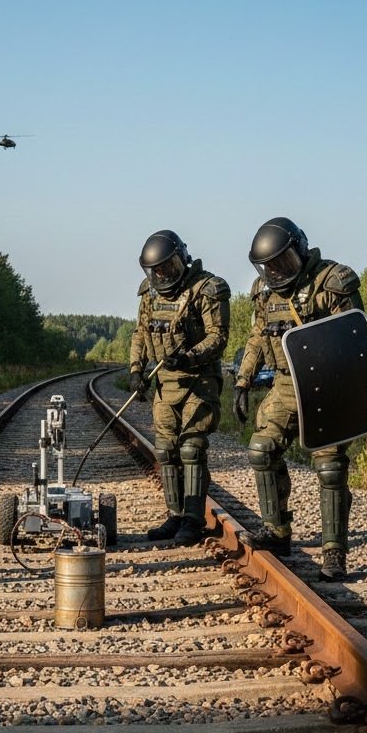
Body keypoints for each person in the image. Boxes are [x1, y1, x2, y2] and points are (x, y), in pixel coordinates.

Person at [232, 217, 362, 581]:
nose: (276, 271)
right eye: (270, 266)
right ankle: (276, 531)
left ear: (299, 249)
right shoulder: (263, 292)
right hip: (286, 385)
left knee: (330, 467)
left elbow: (354, 336)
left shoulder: (332, 283)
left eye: (282, 263)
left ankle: (334, 552)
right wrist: (242, 382)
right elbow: (258, 337)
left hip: (327, 385)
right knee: (261, 448)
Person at [129, 230, 231, 547]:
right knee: (166, 450)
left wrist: (189, 357)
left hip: (199, 382)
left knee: (192, 448)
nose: (162, 275)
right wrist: (136, 370)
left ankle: (193, 519)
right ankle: (175, 515)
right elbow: (140, 334)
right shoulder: (150, 294)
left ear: (181, 259)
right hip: (165, 385)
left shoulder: (208, 289)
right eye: (156, 270)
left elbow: (218, 337)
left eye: (167, 267)